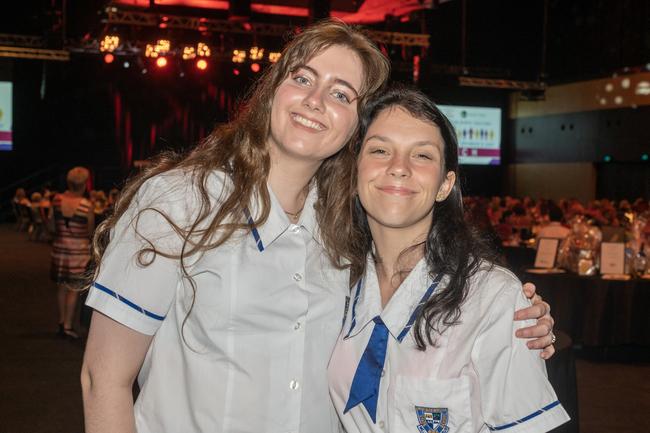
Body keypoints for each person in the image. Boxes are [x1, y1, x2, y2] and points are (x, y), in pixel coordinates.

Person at [81, 20, 555, 433]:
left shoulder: (345, 239)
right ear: (273, 90)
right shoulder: (185, 202)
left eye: (341, 93)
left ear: (355, 125)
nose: (314, 100)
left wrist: (519, 316)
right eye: (302, 78)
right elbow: (102, 379)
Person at [328, 86, 569, 433]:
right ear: (354, 174)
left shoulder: (493, 298)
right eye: (380, 150)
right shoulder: (332, 282)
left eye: (422, 156)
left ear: (445, 185)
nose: (399, 167)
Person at [50, 167, 95, 339]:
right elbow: (89, 231)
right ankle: (68, 325)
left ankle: (61, 322)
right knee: (73, 289)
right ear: (84, 184)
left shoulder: (56, 200)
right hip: (79, 252)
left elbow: (51, 226)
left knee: (61, 287)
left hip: (60, 250)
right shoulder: (86, 205)